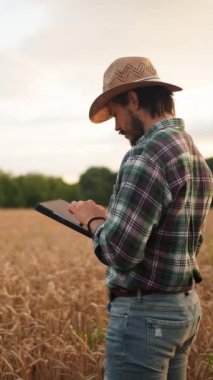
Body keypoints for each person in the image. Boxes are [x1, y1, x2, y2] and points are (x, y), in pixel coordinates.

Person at [69, 57, 213, 380]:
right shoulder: (192, 152)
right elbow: (175, 236)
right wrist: (114, 218)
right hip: (183, 310)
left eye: (116, 114)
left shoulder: (146, 155)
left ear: (133, 100)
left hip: (145, 317)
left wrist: (93, 220)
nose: (117, 127)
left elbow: (120, 253)